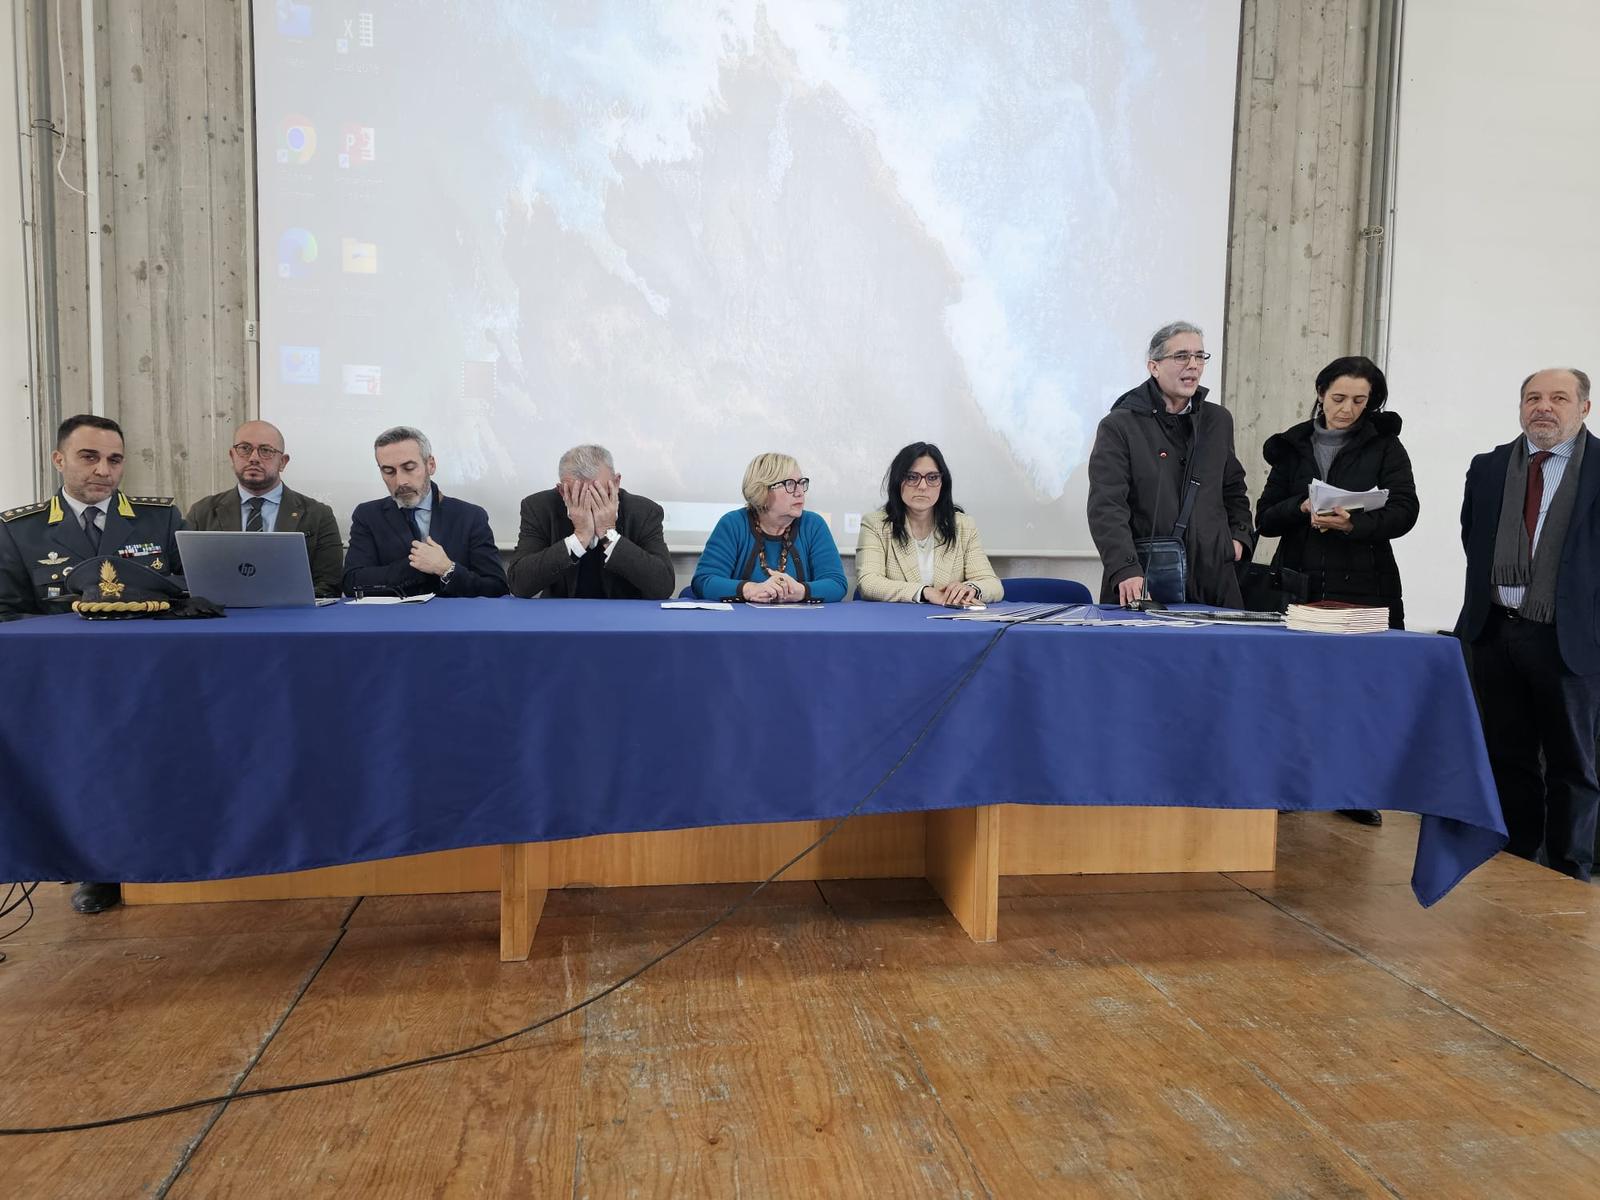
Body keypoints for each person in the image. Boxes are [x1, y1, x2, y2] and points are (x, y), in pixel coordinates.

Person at [0, 413, 186, 913]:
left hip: (149, 674)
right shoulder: (19, 530)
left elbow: (192, 594)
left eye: (114, 459)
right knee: (83, 776)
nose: (104, 470)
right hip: (67, 683)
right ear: (59, 459)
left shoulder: (160, 520)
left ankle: (167, 857)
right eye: (90, 457)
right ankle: (96, 869)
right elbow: (6, 613)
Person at [1255, 355, 1420, 828]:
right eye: (1339, 398)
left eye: (1359, 401)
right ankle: (1290, 785)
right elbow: (1264, 517)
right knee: (1294, 686)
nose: (1347, 409)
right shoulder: (1293, 445)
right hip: (1298, 581)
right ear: (1321, 394)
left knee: (1360, 689)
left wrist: (1354, 523)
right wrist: (1301, 506)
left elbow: (1405, 510)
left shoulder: (1385, 445)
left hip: (1365, 583)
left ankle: (1353, 789)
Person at [1457, 367, 1600, 881]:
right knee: (1507, 758)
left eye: (1559, 398)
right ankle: (1517, 866)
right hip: (1496, 631)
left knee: (1573, 765)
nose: (1544, 407)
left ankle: (1569, 872)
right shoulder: (1489, 466)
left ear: (1583, 408)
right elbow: (1473, 537)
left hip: (1571, 638)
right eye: (1534, 397)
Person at [1087, 321, 1254, 606]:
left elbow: (1233, 489)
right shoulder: (1120, 425)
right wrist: (1125, 568)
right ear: (1154, 367)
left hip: (1215, 579)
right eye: (1181, 356)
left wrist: (1238, 538)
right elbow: (1106, 506)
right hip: (1147, 579)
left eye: (1199, 356)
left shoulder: (1218, 421)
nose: (1193, 365)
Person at [342, 426, 508, 598]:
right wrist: (414, 567)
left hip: (454, 615)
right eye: (389, 471)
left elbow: (496, 587)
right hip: (392, 615)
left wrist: (447, 569)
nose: (400, 481)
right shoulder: (368, 516)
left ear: (431, 465)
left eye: (409, 468)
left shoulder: (470, 516)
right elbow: (352, 583)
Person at [185, 419, 344, 596]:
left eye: (266, 450)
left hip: (291, 611)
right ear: (232, 456)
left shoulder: (317, 515)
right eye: (244, 448)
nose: (253, 458)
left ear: (283, 462)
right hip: (221, 610)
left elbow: (330, 584)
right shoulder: (203, 512)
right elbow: (186, 577)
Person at [506, 444, 675, 600]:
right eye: (579, 496)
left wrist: (609, 535)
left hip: (624, 616)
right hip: (560, 615)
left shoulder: (644, 512)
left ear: (616, 483)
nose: (590, 504)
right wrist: (579, 538)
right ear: (562, 491)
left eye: (599, 493)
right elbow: (519, 585)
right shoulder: (539, 508)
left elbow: (663, 586)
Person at [855, 442, 1003, 605]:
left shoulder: (963, 525)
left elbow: (993, 585)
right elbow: (868, 583)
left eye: (932, 478)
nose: (923, 486)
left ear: (942, 483)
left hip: (949, 619)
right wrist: (925, 592)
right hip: (897, 618)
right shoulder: (875, 524)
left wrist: (970, 589)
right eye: (912, 477)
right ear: (897, 481)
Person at [692, 452, 847, 602]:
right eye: (790, 484)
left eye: (801, 483)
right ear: (763, 491)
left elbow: (836, 583)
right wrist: (751, 589)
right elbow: (704, 580)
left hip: (800, 619)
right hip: (743, 619)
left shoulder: (813, 525)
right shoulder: (733, 524)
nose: (800, 492)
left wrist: (801, 591)